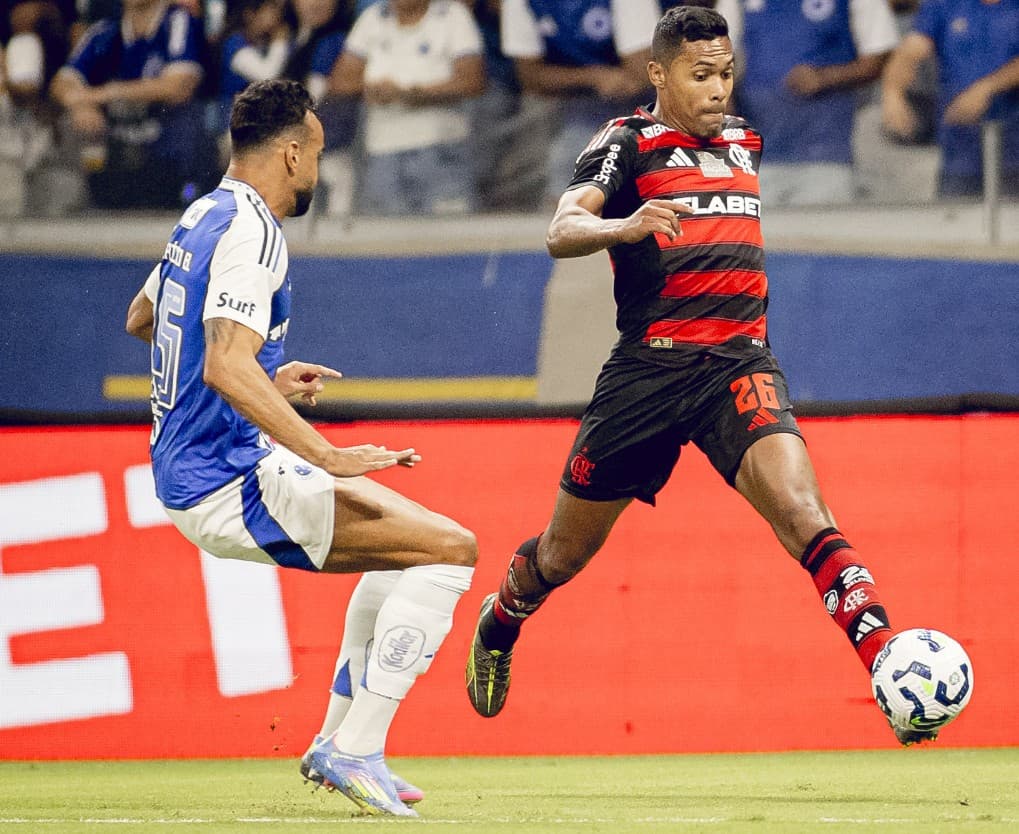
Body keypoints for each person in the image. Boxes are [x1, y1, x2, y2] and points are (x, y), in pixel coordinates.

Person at [464, 5, 935, 747]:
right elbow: (561, 228)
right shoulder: (628, 142)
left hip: (738, 362)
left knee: (805, 513)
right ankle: (501, 618)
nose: (718, 89)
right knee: (562, 554)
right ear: (658, 73)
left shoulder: (744, 141)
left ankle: (885, 665)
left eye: (725, 73)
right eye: (699, 75)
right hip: (648, 371)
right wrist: (623, 225)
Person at [124, 79, 477, 817]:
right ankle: (354, 749)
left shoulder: (202, 214)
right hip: (224, 480)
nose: (318, 167)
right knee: (450, 550)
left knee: (411, 548)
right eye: (316, 152)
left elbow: (143, 318)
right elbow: (223, 364)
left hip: (210, 460)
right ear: (290, 153)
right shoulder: (254, 231)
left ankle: (336, 743)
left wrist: (265, 379)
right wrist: (327, 453)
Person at [715, 0, 899, 205]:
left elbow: (880, 55)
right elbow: (715, 57)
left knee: (825, 234)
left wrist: (825, 78)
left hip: (827, 156)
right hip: (755, 157)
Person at [499, 0, 664, 209]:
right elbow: (530, 77)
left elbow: (641, 73)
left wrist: (608, 81)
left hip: (645, 107)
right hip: (570, 107)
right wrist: (594, 77)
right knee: (566, 167)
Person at [49, 0, 214, 209]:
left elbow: (179, 86)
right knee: (72, 123)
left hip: (166, 146)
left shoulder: (178, 21)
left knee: (187, 124)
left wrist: (106, 93)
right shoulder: (105, 30)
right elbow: (61, 82)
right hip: (118, 141)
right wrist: (80, 106)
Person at [328, 0, 485, 215]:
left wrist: (414, 93)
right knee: (386, 242)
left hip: (442, 151)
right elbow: (339, 82)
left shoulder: (452, 15)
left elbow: (473, 80)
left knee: (451, 238)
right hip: (382, 154)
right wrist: (371, 89)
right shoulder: (372, 18)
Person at [881, 0, 1019, 198]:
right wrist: (893, 93)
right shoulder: (945, 4)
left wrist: (987, 88)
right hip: (959, 150)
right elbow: (910, 51)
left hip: (1013, 147)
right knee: (953, 221)